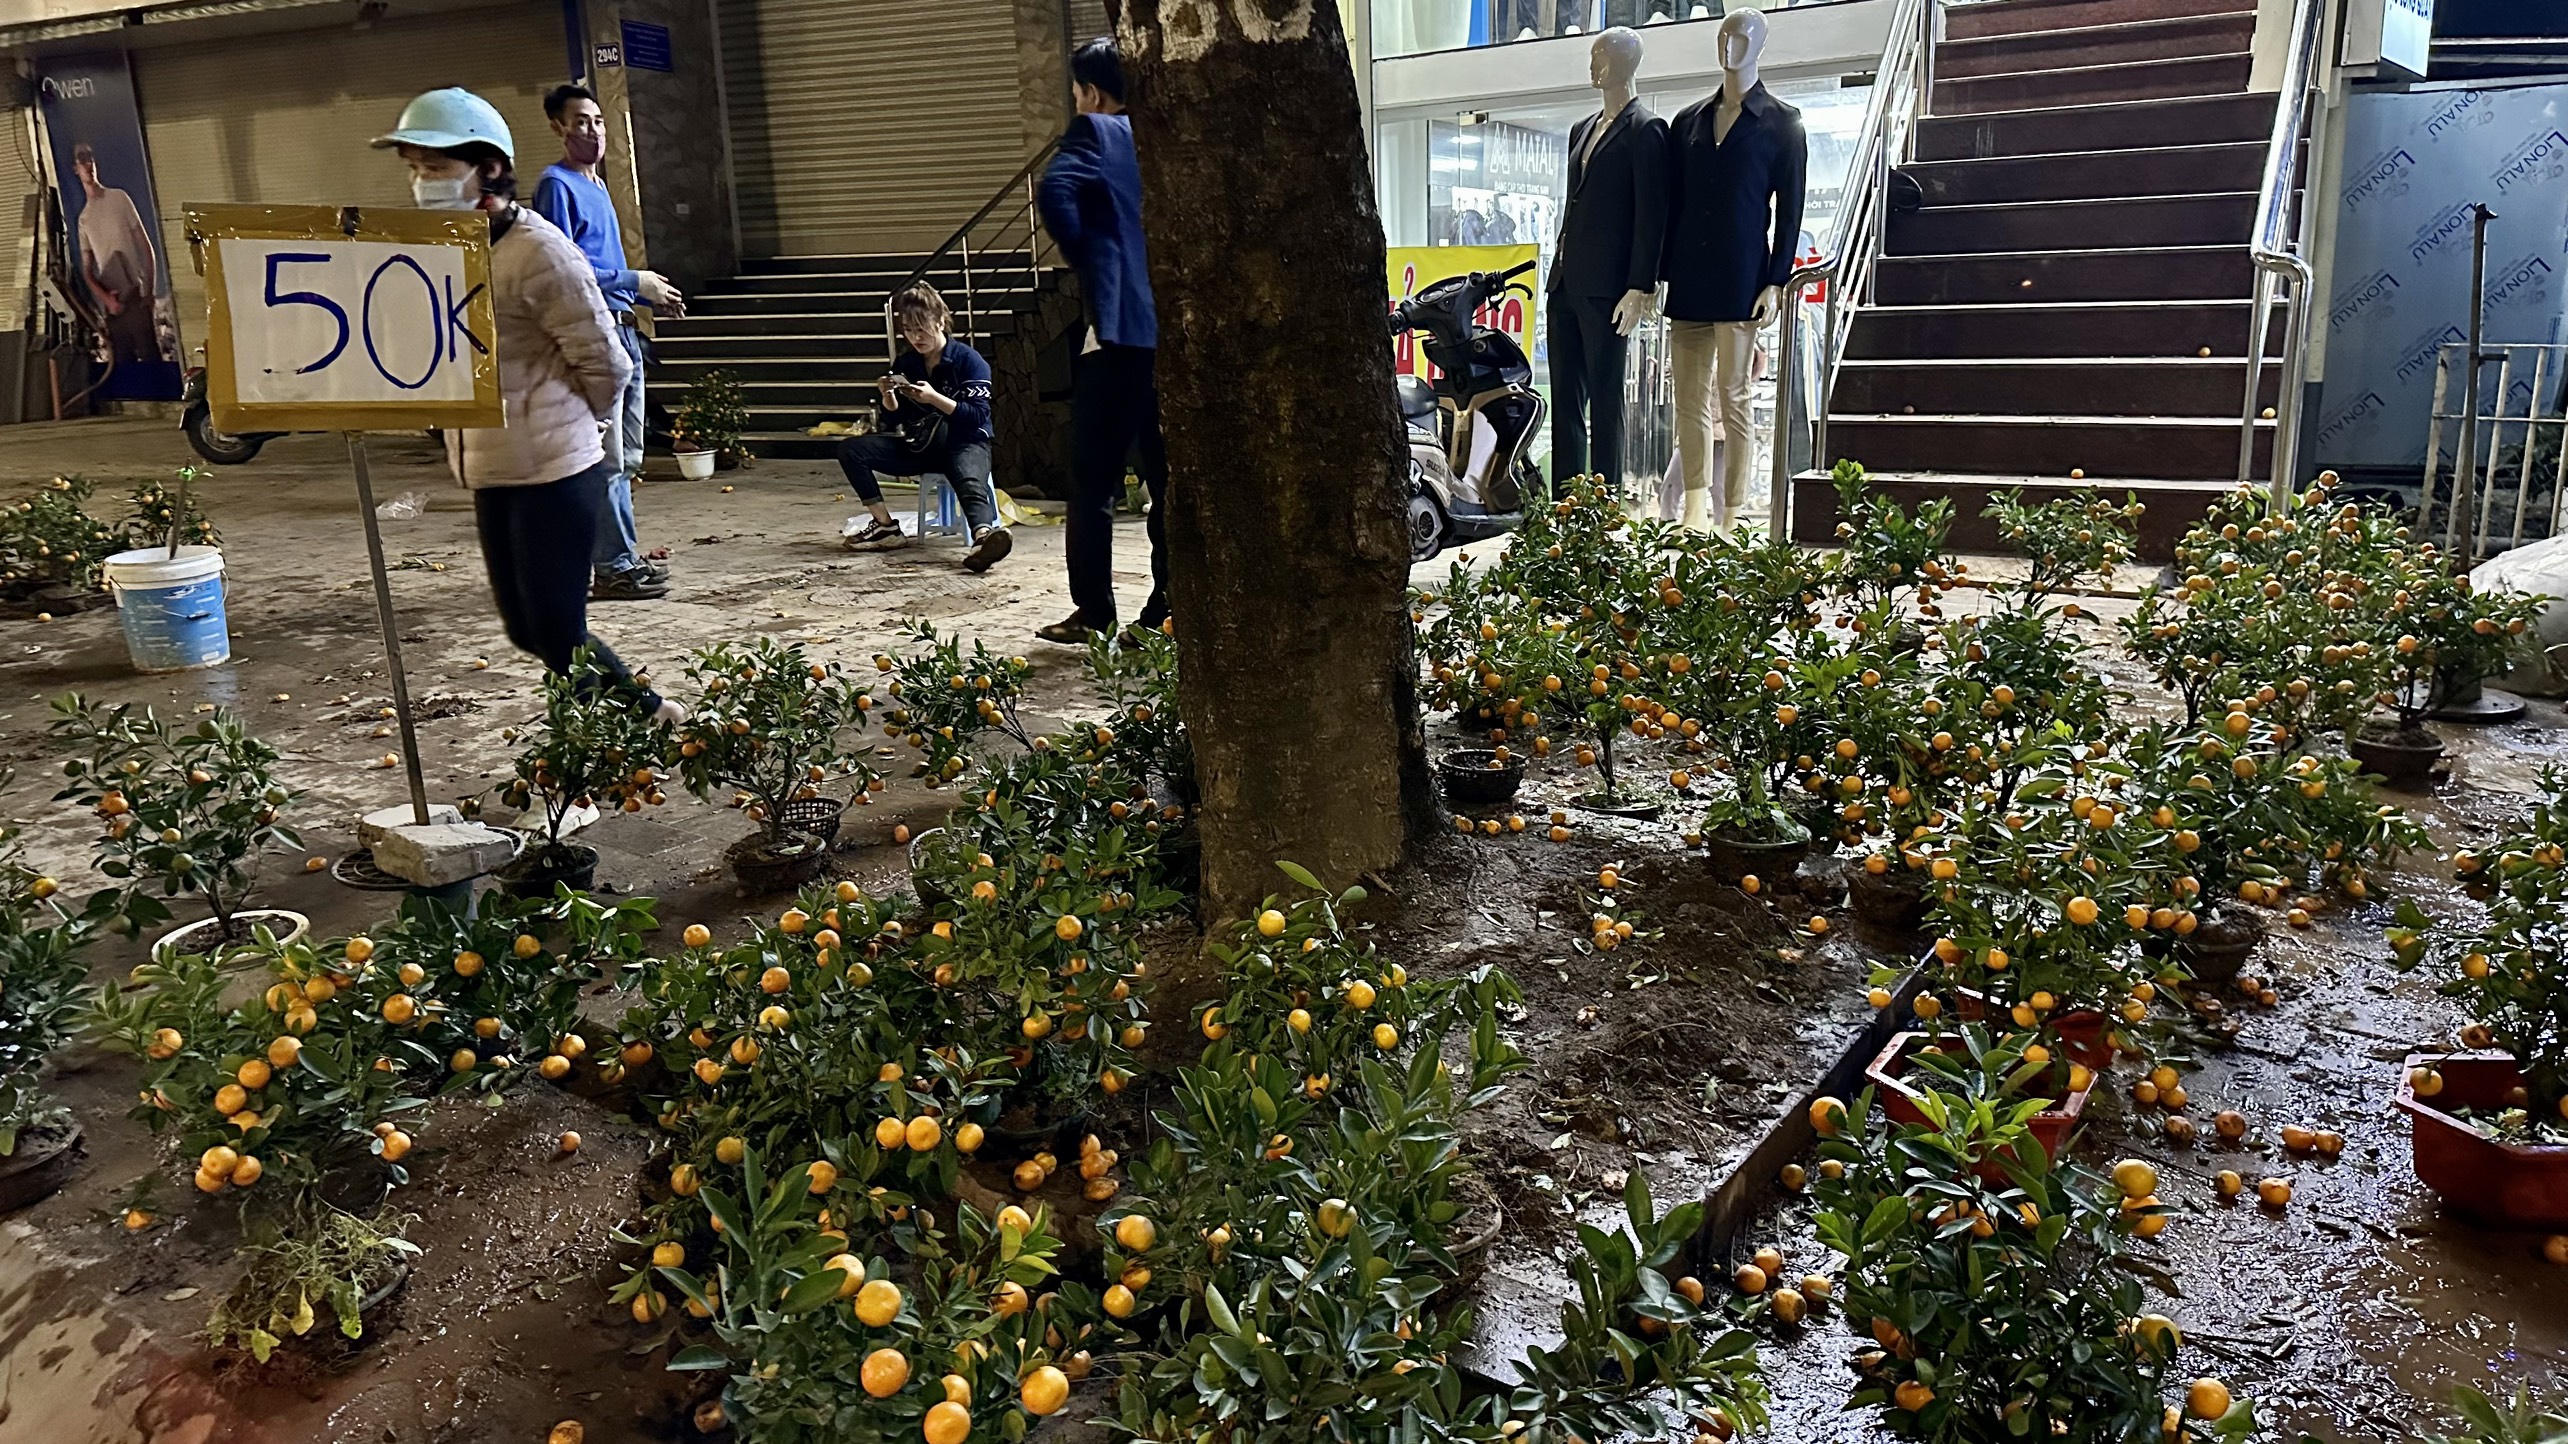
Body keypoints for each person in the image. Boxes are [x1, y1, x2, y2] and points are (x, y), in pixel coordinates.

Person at [374, 87, 676, 723]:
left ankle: (636, 721)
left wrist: (571, 428)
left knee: (557, 630)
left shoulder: (539, 250)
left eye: (437, 167)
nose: (423, 182)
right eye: (415, 168)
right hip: (491, 468)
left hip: (554, 469)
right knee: (524, 627)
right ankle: (635, 717)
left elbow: (608, 362)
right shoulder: (447, 250)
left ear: (488, 167)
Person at [1035, 36, 1168, 646]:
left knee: (1092, 483)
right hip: (1173, 339)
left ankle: (1094, 611)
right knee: (1168, 483)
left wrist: (1093, 259)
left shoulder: (1097, 131)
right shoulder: (1165, 138)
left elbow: (1055, 191)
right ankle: (1165, 613)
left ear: (1090, 92)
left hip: (1119, 334)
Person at [530, 83, 683, 603]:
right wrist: (636, 280)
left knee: (629, 457)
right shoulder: (556, 186)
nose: (593, 131)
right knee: (606, 459)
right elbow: (563, 270)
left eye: (597, 120)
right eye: (580, 121)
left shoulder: (597, 186)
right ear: (557, 127)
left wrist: (646, 296)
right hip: (594, 337)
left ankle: (622, 556)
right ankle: (611, 566)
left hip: (623, 329)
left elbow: (601, 269)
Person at [836, 283, 1013, 571]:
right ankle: (885, 527)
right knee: (852, 450)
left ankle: (984, 537)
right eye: (908, 330)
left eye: (922, 329)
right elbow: (894, 419)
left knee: (970, 480)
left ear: (940, 322)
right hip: (921, 444)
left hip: (965, 441)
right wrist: (888, 396)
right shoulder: (907, 362)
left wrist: (934, 398)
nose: (915, 337)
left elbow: (977, 416)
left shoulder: (969, 361)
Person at [71, 142, 163, 366]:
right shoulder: (84, 219)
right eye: (82, 161)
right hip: (114, 305)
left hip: (136, 296)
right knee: (123, 366)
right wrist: (107, 300)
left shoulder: (119, 198)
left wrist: (149, 292)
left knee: (152, 361)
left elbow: (146, 247)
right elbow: (87, 271)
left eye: (90, 159)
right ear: (76, 169)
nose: (88, 165)